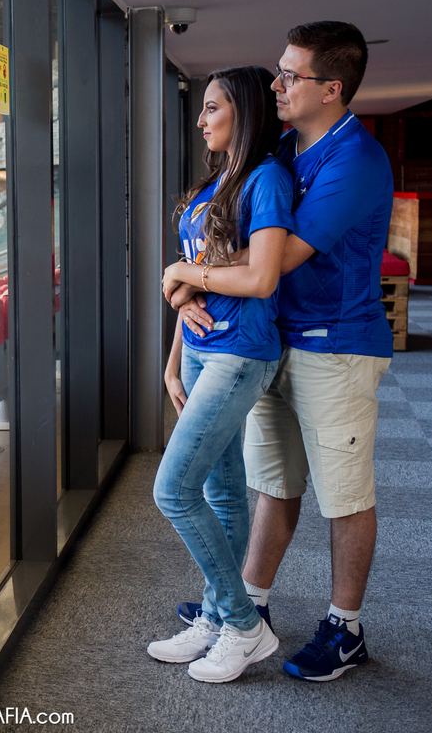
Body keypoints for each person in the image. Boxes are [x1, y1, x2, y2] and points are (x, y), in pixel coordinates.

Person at [175, 22, 394, 682]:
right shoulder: (285, 148)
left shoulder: (355, 160)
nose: (276, 84)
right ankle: (253, 608)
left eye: (290, 75)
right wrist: (190, 284)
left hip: (337, 346)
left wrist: (191, 274)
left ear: (332, 88)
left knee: (344, 496)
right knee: (273, 484)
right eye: (277, 71)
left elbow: (278, 256)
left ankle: (344, 627)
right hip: (275, 340)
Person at [148, 65, 294, 683]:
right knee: (223, 493)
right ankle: (212, 618)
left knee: (173, 489)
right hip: (206, 351)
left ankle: (241, 622)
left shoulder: (266, 180)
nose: (202, 119)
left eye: (213, 108)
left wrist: (183, 276)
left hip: (243, 352)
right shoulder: (215, 185)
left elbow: (260, 277)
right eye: (202, 109)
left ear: (246, 112)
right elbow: (192, 274)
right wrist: (175, 355)